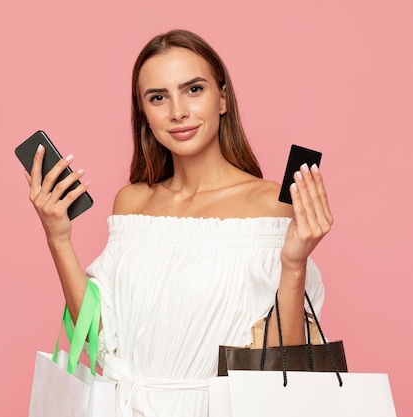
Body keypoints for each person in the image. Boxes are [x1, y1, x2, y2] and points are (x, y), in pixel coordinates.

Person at [25, 29, 332, 417]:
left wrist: (294, 265)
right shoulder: (133, 202)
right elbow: (98, 346)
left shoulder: (271, 203)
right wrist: (58, 238)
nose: (177, 111)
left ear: (222, 98)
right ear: (144, 113)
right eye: (158, 97)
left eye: (193, 90)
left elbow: (286, 368)